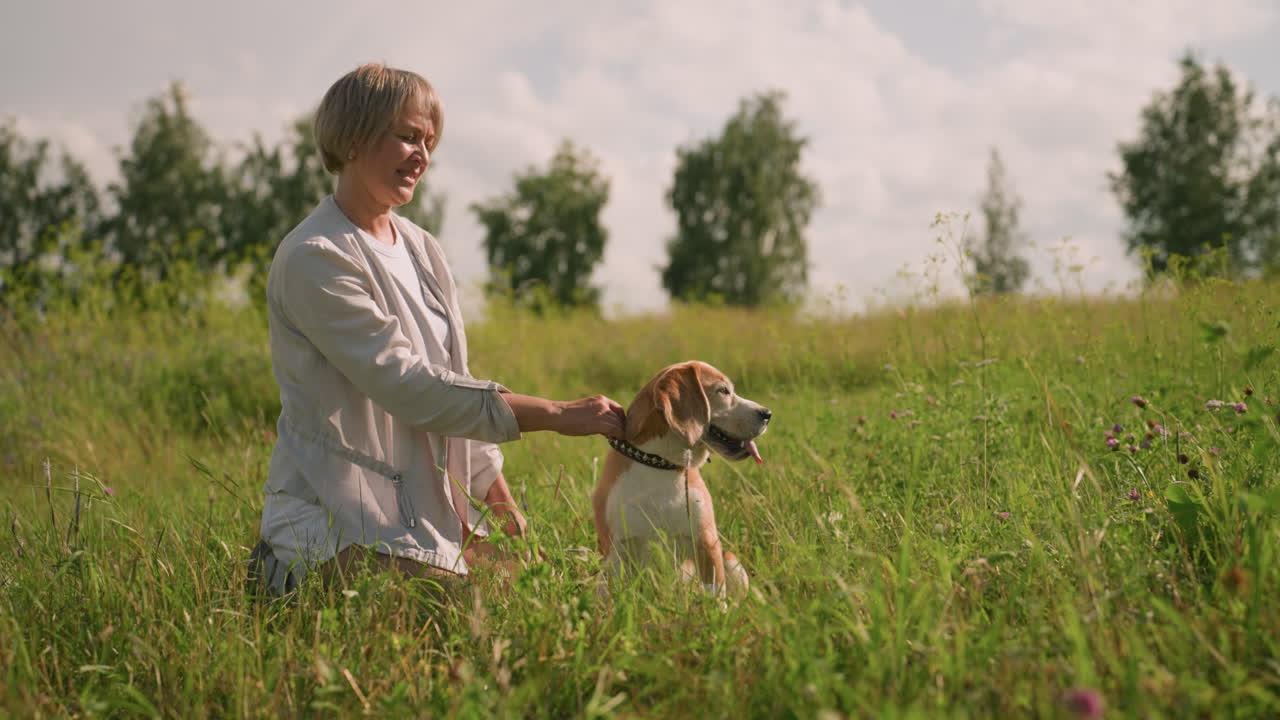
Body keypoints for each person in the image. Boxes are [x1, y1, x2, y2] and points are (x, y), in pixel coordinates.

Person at [248, 63, 625, 596]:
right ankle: (278, 574)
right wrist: (559, 415)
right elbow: (412, 388)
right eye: (407, 137)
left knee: (536, 594)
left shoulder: (423, 248)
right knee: (459, 609)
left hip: (423, 507)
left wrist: (500, 504)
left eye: (429, 141)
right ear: (354, 138)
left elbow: (453, 383)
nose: (423, 156)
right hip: (333, 515)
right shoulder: (317, 256)